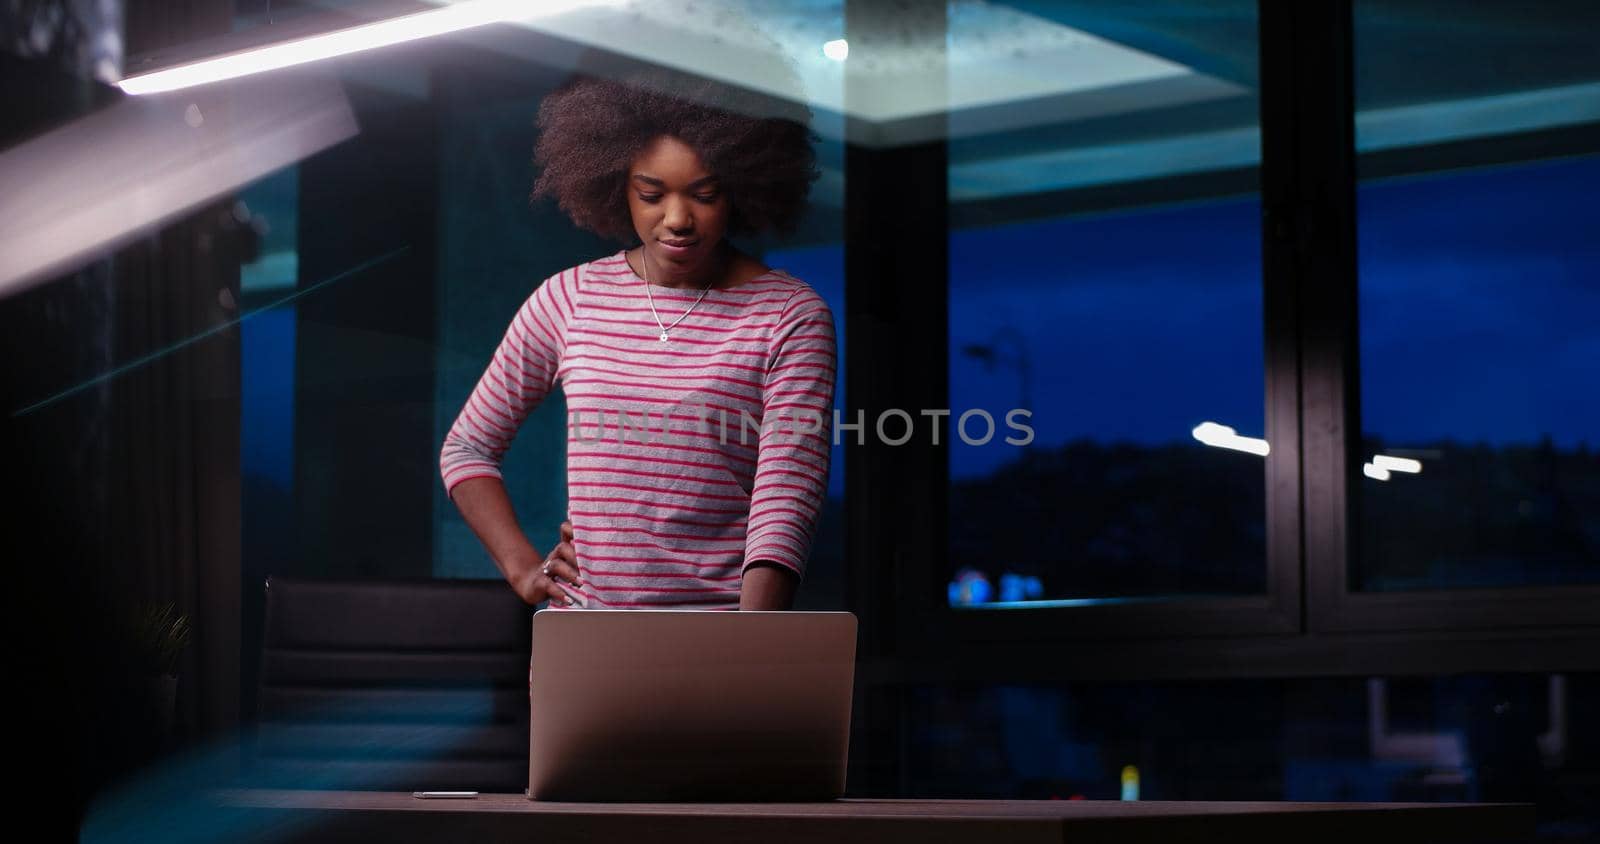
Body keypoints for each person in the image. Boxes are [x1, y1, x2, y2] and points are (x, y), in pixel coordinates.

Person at [440, 71, 834, 615]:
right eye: (651, 194)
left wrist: (751, 648)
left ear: (741, 187)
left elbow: (784, 499)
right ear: (615, 184)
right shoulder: (569, 298)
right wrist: (522, 570)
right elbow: (468, 448)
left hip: (721, 636)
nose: (676, 220)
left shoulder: (787, 315)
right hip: (585, 637)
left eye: (704, 194)